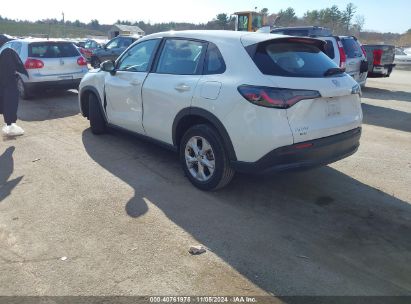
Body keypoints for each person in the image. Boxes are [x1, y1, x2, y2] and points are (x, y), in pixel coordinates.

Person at [0, 48, 28, 136]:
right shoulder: (11, 72)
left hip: (4, 89)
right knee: (10, 104)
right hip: (10, 88)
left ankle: (9, 124)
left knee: (6, 104)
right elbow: (19, 65)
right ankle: (10, 124)